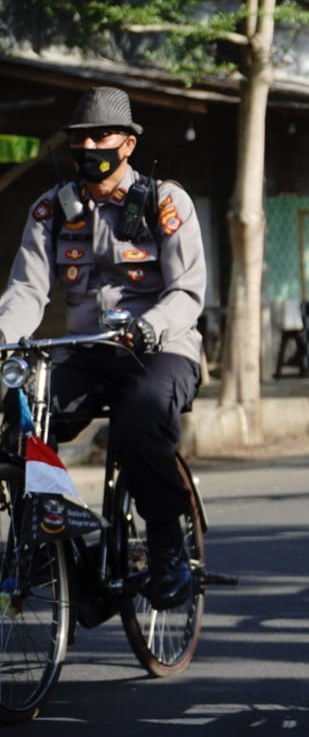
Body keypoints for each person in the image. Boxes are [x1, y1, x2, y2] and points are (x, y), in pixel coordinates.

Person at [0, 86, 206, 609]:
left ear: (128, 144)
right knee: (22, 418)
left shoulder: (165, 202)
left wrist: (150, 327)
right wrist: (4, 342)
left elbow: (187, 291)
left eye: (102, 136)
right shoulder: (51, 210)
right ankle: (58, 534)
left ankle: (165, 544)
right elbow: (27, 290)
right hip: (87, 350)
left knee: (139, 418)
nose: (91, 145)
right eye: (81, 138)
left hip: (162, 348)